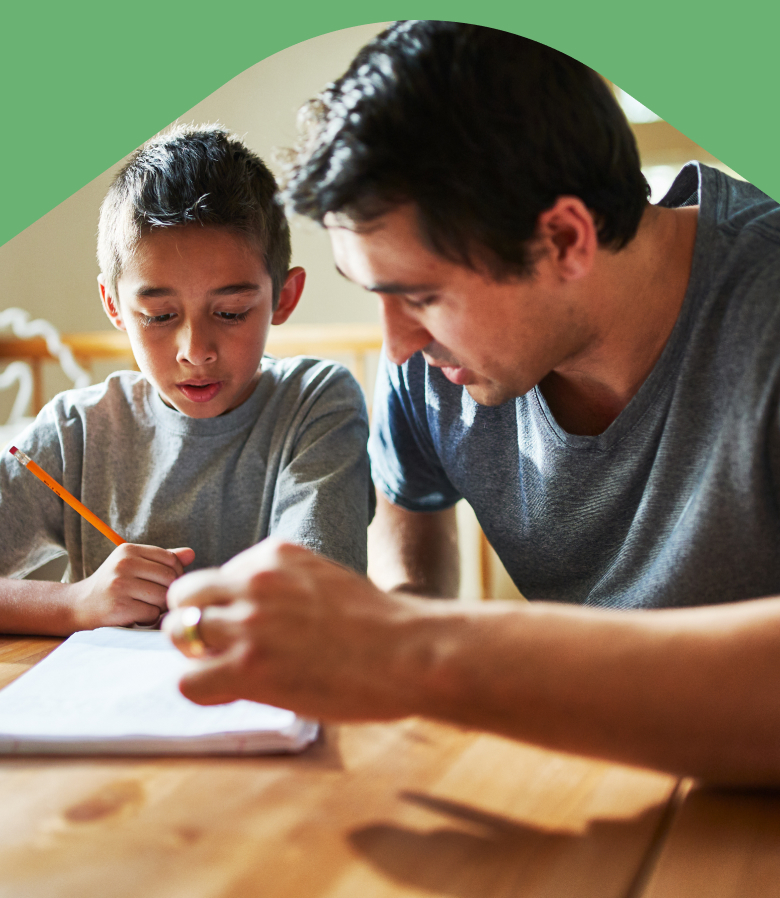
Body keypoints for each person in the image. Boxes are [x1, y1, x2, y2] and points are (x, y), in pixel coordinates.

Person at [164, 24, 780, 783]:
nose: (394, 346)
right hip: (591, 788)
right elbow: (409, 550)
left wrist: (410, 648)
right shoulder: (433, 364)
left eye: (421, 296)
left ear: (563, 239)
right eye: (377, 296)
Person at [0, 124, 372, 636]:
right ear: (114, 305)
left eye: (231, 311)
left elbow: (318, 595)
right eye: (157, 316)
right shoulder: (75, 432)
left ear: (284, 297)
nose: (195, 352)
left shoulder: (314, 404)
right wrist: (74, 603)